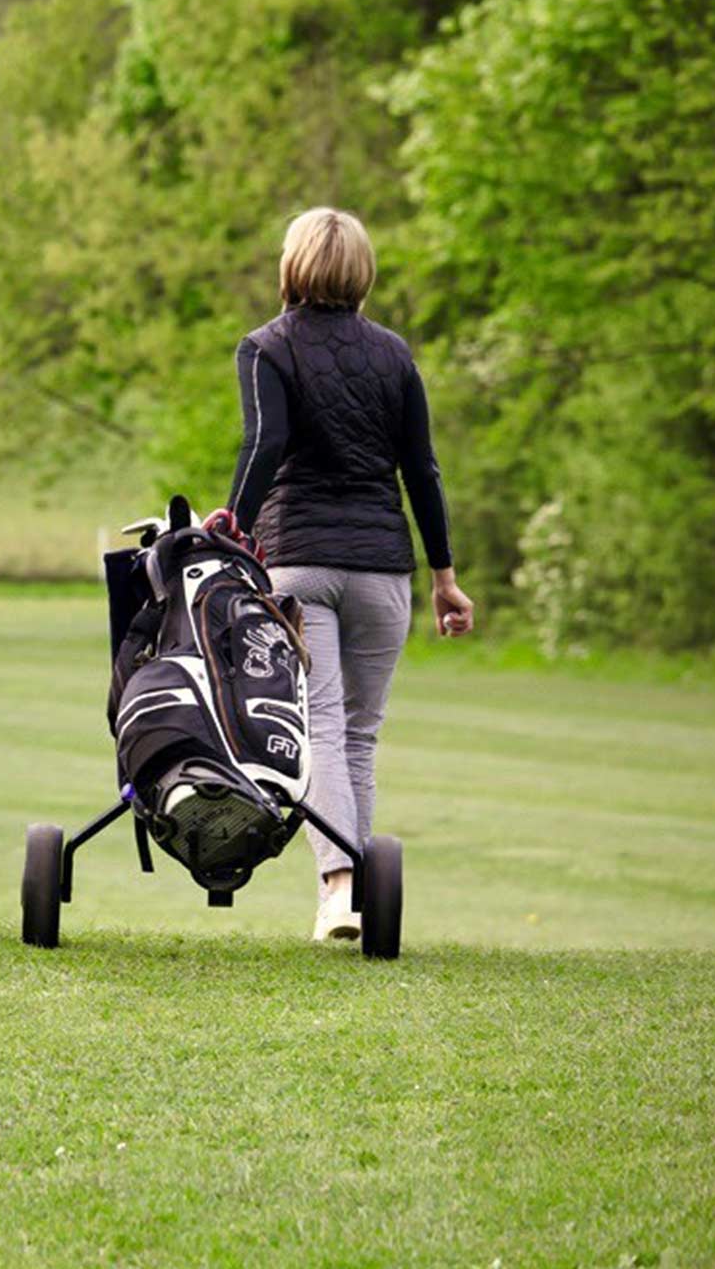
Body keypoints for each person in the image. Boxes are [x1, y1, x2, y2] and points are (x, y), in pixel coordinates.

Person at [213, 207, 473, 942]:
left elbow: (264, 445)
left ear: (291, 265)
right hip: (383, 569)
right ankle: (354, 893)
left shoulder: (266, 347)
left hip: (298, 562)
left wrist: (233, 526)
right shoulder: (394, 355)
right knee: (359, 735)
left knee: (320, 726)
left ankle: (340, 889)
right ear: (363, 272)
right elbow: (421, 470)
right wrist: (444, 576)